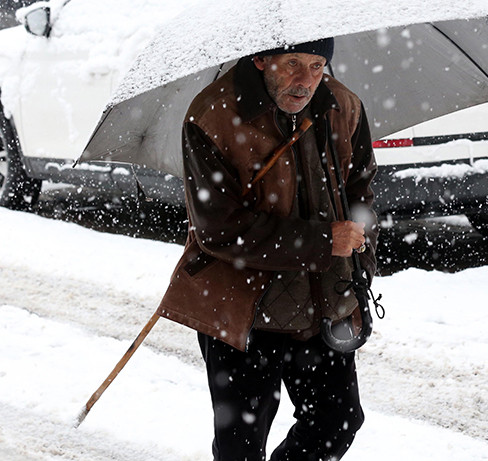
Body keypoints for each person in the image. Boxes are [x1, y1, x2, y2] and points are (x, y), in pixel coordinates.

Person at [157, 37, 378, 461]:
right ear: (260, 59)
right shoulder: (213, 116)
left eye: (317, 65)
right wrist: (322, 241)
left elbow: (361, 187)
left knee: (337, 421)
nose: (306, 80)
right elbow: (218, 228)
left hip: (320, 302)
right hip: (241, 309)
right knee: (241, 446)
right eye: (293, 63)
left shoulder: (341, 106)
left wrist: (360, 261)